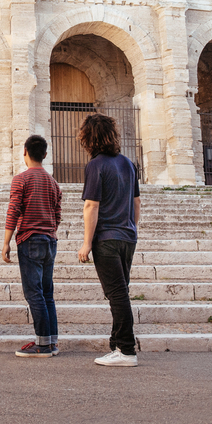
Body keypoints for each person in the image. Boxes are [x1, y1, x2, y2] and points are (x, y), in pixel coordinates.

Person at [76, 113, 141, 367]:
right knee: (119, 292)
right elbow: (136, 203)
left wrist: (87, 243)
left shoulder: (95, 165)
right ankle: (116, 345)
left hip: (107, 238)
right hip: (127, 236)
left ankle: (126, 350)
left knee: (116, 295)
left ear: (89, 139)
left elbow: (91, 205)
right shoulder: (128, 163)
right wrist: (132, 228)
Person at [2, 134, 61, 358]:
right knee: (47, 293)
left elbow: (13, 210)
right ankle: (51, 341)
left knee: (33, 293)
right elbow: (57, 215)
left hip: (30, 239)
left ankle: (43, 345)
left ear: (24, 151)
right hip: (50, 240)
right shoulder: (54, 183)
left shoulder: (21, 179)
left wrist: (6, 241)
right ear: (45, 155)